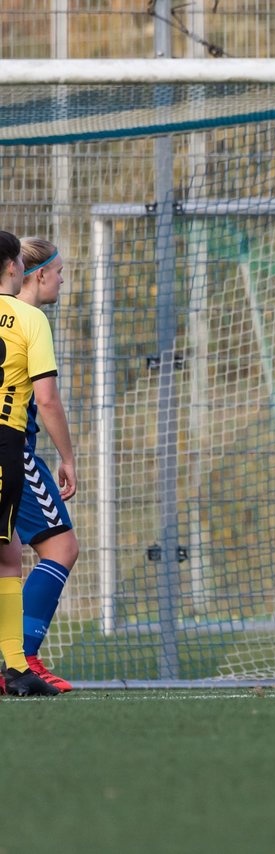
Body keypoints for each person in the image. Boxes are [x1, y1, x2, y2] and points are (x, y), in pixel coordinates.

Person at [0, 238, 78, 692]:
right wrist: (68, 457)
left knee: (7, 556)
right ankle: (21, 657)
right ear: (36, 274)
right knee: (61, 548)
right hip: (12, 450)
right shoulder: (31, 321)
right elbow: (46, 399)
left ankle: (15, 661)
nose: (63, 279)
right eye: (60, 270)